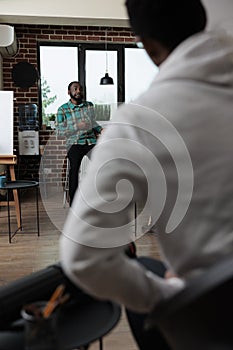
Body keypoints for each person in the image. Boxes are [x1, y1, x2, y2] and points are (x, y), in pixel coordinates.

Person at [60, 1, 233, 349]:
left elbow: (82, 257)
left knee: (145, 269)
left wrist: (165, 293)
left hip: (214, 320)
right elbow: (69, 128)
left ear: (148, 45)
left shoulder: (142, 117)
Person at [56, 81, 103, 205]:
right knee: (74, 169)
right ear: (69, 92)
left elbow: (93, 123)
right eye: (75, 89)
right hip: (74, 144)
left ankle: (101, 197)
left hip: (91, 142)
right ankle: (74, 203)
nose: (78, 91)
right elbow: (60, 132)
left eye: (80, 89)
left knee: (103, 164)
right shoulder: (62, 110)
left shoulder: (89, 106)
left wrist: (101, 129)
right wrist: (77, 126)